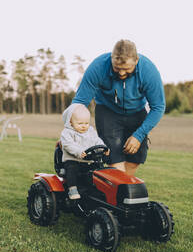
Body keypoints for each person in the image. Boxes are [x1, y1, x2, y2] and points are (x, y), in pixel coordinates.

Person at [71, 39, 165, 176]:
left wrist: (139, 136)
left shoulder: (149, 71)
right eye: (117, 68)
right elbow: (79, 102)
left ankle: (121, 193)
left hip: (137, 112)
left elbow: (158, 107)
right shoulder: (98, 67)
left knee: (134, 160)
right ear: (111, 59)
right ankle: (119, 195)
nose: (121, 73)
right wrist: (70, 130)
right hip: (108, 112)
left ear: (136, 60)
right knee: (115, 161)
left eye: (126, 69)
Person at [60, 103, 109, 199]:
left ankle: (97, 190)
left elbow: (97, 140)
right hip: (73, 160)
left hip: (88, 161)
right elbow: (67, 145)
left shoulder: (90, 131)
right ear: (70, 122)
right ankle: (72, 189)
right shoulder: (67, 132)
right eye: (80, 123)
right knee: (72, 169)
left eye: (86, 123)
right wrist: (79, 151)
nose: (83, 126)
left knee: (100, 170)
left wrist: (103, 148)